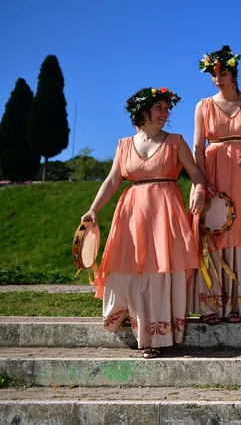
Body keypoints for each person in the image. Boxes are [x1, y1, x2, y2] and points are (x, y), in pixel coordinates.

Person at [81, 87, 206, 358]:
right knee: (132, 265)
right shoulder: (124, 144)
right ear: (143, 112)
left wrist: (198, 191)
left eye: (166, 108)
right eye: (160, 108)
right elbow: (113, 179)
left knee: (159, 268)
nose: (166, 113)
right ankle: (134, 318)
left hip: (166, 211)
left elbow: (196, 173)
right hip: (132, 212)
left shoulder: (175, 141)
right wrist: (93, 209)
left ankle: (157, 332)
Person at [187, 45, 241, 324]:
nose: (217, 79)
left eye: (222, 73)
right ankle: (213, 304)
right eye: (213, 75)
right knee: (214, 230)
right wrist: (202, 181)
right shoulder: (203, 106)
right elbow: (198, 148)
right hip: (214, 173)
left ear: (234, 73)